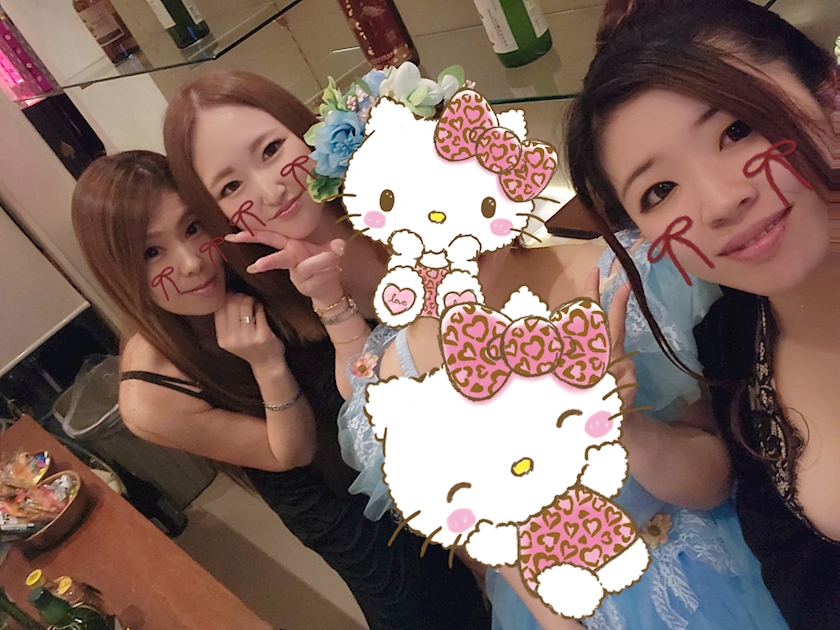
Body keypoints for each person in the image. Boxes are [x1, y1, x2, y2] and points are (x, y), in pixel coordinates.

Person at [163, 70, 788, 629]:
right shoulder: (393, 360)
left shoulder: (621, 283)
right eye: (229, 185)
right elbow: (487, 537)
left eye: (271, 150)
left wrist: (620, 419)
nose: (268, 189)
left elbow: (715, 476)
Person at [71, 150, 490, 630]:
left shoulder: (252, 255)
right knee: (429, 607)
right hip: (328, 495)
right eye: (151, 253)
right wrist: (266, 364)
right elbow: (290, 452)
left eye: (192, 227)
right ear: (118, 269)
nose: (190, 263)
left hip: (373, 419)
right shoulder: (151, 396)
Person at [565, 0, 838, 626]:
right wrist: (619, 423)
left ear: (829, 95)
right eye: (660, 191)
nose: (718, 202)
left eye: (737, 130)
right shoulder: (731, 345)